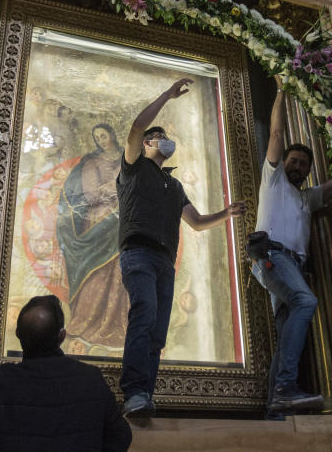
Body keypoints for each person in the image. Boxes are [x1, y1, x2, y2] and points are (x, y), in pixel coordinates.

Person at [116, 77, 246, 416]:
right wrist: (167, 96)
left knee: (157, 332)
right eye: (156, 138)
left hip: (164, 261)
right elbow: (137, 125)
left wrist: (226, 214)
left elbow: (197, 222)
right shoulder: (133, 168)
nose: (162, 141)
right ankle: (132, 392)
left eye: (164, 137)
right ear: (145, 145)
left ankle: (144, 395)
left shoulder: (173, 185)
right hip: (138, 253)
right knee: (143, 311)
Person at [0, 295, 132, 452]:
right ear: (62, 336)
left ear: (18, 334)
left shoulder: (4, 381)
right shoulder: (90, 379)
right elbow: (121, 437)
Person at [251, 77, 332, 419]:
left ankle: (276, 407)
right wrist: (282, 90)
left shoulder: (307, 196)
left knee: (288, 331)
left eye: (304, 164)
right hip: (272, 255)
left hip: (293, 266)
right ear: (282, 161)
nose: (298, 166)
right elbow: (275, 134)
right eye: (294, 160)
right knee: (305, 300)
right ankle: (286, 388)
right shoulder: (273, 180)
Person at [57, 123, 128, 348]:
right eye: (97, 137)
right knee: (97, 272)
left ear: (113, 135)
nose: (101, 140)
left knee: (120, 272)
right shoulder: (91, 164)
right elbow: (90, 195)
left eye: (104, 135)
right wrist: (117, 187)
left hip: (124, 221)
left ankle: (117, 321)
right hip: (100, 221)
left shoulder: (130, 159)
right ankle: (87, 320)